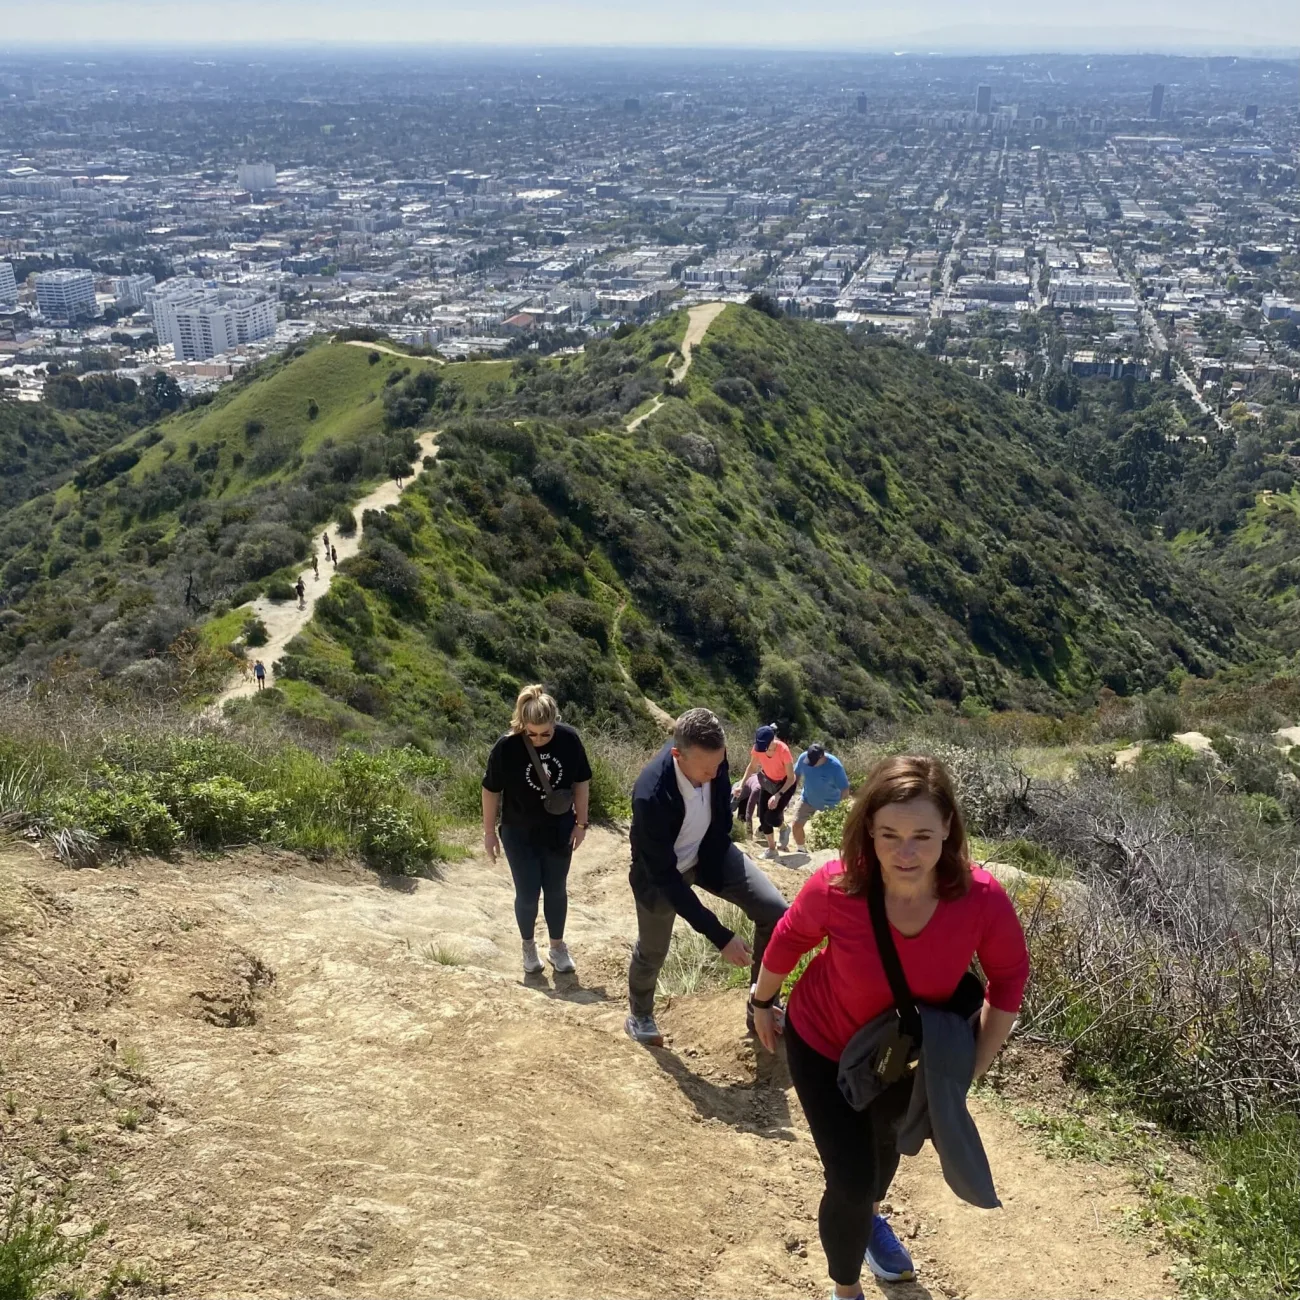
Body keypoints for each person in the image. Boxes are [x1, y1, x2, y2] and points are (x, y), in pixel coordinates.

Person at [750, 755, 1029, 1294]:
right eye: (890, 835)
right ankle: (845, 1288)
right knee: (851, 1180)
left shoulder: (981, 899)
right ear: (868, 831)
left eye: (923, 835)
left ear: (949, 827)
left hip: (900, 1059)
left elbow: (1009, 979)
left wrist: (972, 1067)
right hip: (823, 1042)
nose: (907, 853)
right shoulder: (839, 887)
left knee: (881, 1158)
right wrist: (763, 1003)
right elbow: (788, 938)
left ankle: (870, 1222)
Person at [625, 707, 789, 1047]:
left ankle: (761, 1003)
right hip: (661, 876)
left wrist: (719, 838)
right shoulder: (650, 795)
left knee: (775, 911)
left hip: (711, 854)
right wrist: (720, 935)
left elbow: (719, 807)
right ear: (677, 754)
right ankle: (640, 1014)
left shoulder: (713, 758)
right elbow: (666, 877)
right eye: (705, 769)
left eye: (719, 764)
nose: (715, 774)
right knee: (653, 950)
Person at [482, 684, 591, 978]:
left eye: (546, 732)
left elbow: (582, 781)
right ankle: (528, 947)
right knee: (528, 893)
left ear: (555, 722)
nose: (539, 739)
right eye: (532, 733)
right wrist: (489, 832)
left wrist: (581, 823)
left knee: (556, 890)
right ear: (521, 724)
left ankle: (557, 947)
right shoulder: (506, 747)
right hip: (519, 832)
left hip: (559, 829)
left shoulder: (569, 740)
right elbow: (491, 789)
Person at [739, 723, 797, 860]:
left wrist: (778, 796)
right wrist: (741, 785)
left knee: (771, 817)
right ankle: (772, 849)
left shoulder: (783, 750)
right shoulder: (759, 748)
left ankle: (784, 828)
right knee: (762, 817)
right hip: (768, 782)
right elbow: (752, 766)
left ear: (772, 741)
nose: (761, 749)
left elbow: (791, 777)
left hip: (785, 784)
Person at [785, 742, 851, 852]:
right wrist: (787, 795)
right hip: (808, 799)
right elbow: (795, 776)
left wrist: (840, 810)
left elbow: (845, 789)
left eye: (813, 762)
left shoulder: (835, 767)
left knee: (830, 834)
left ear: (822, 757)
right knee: (796, 824)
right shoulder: (803, 758)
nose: (810, 764)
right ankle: (801, 850)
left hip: (830, 804)